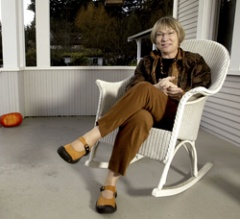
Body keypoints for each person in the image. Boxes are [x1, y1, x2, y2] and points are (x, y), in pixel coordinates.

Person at [57, 16, 211, 214]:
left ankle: (89, 138)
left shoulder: (194, 60)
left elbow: (203, 86)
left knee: (145, 89)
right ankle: (109, 186)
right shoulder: (147, 62)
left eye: (170, 33)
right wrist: (157, 87)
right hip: (148, 114)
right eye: (160, 34)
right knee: (139, 117)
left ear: (178, 36)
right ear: (155, 39)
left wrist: (179, 92)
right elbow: (132, 87)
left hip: (177, 113)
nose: (165, 38)